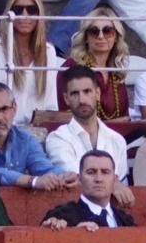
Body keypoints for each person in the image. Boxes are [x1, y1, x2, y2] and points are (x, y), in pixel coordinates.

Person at [45, 65, 132, 193]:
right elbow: (76, 180)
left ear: (97, 93)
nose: (82, 100)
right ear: (66, 99)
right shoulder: (57, 138)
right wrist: (114, 184)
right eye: (75, 93)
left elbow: (123, 187)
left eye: (87, 91)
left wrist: (117, 185)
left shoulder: (117, 140)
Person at [0, 0, 60, 125]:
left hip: (40, 130)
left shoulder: (48, 51)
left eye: (31, 10)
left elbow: (51, 104)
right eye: (18, 10)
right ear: (9, 13)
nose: (24, 15)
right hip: (1, 129)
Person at [0, 81, 74, 189]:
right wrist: (31, 181)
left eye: (4, 109)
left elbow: (44, 168)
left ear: (14, 108)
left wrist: (63, 176)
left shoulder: (25, 139)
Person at [54, 6, 132, 121]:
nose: (101, 36)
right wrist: (111, 124)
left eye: (107, 31)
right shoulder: (71, 67)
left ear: (116, 37)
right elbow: (68, 117)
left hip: (117, 137)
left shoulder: (116, 72)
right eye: (94, 31)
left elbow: (125, 117)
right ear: (86, 37)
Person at [40, 149, 134, 227]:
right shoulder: (61, 216)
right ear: (80, 178)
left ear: (114, 179)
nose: (98, 179)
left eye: (105, 172)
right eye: (91, 172)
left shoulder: (125, 220)